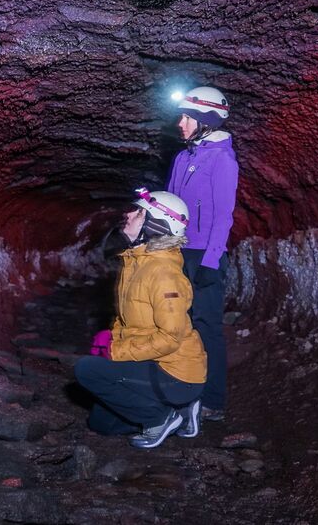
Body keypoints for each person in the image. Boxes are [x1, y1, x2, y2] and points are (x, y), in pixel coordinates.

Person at [74, 189, 207, 448]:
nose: (128, 214)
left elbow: (169, 338)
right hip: (152, 363)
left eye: (137, 212)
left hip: (176, 372)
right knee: (101, 424)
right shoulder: (136, 261)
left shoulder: (164, 273)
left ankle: (161, 417)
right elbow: (127, 317)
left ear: (154, 224)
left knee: (86, 370)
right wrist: (113, 336)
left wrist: (116, 351)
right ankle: (180, 412)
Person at [166, 86, 239, 423]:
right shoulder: (183, 157)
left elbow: (224, 216)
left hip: (204, 256)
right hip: (179, 253)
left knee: (207, 327)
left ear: (206, 120)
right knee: (175, 323)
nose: (180, 124)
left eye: (187, 117)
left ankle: (213, 400)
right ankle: (180, 389)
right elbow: (170, 207)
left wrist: (211, 261)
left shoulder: (222, 160)